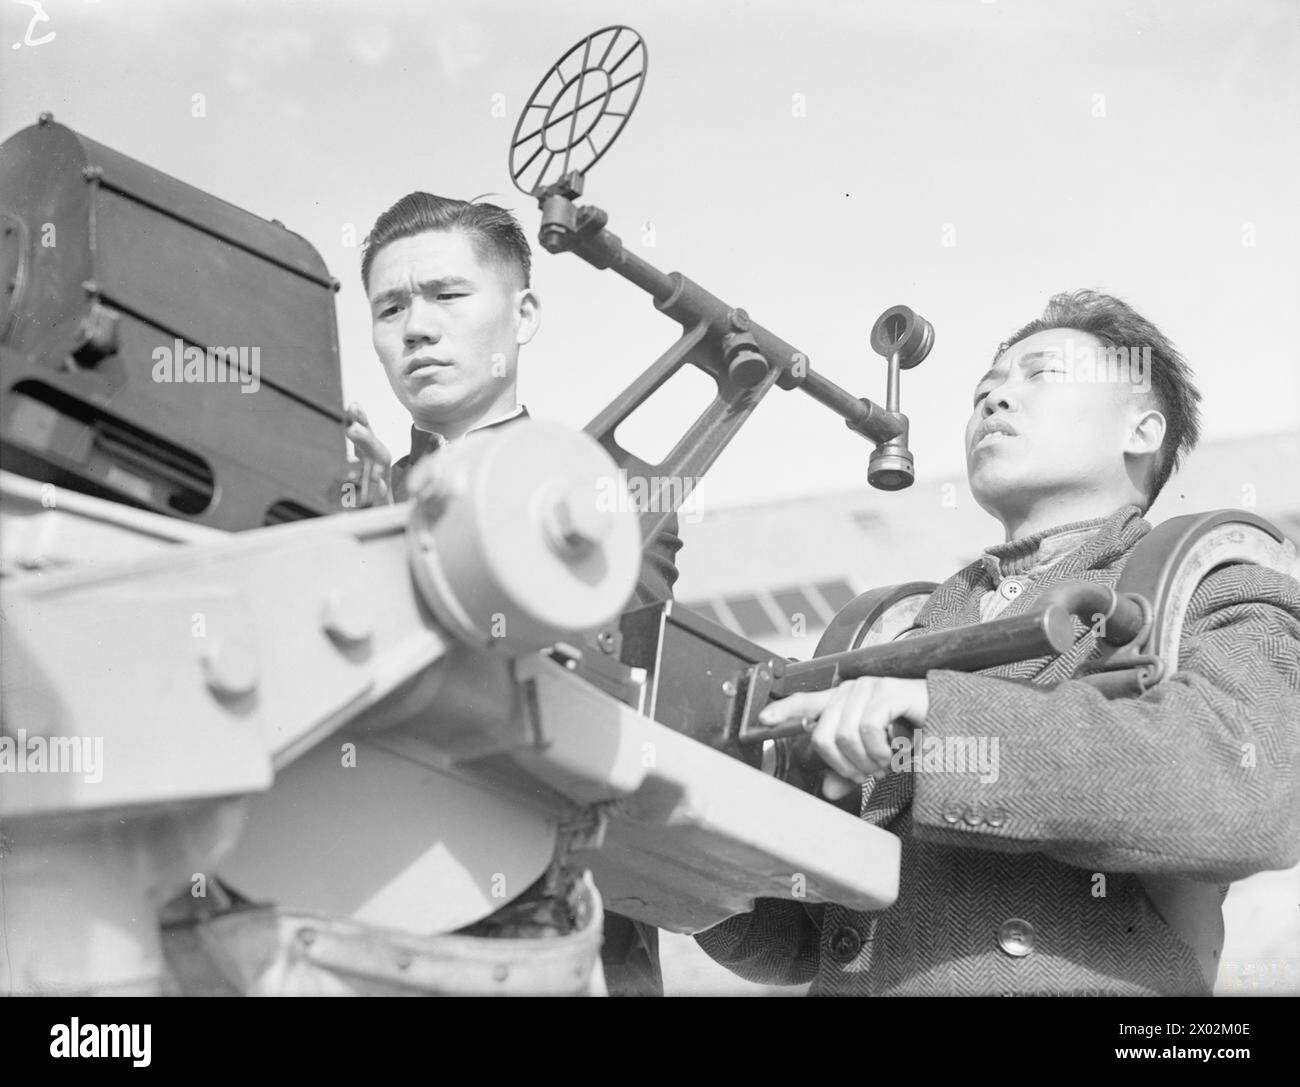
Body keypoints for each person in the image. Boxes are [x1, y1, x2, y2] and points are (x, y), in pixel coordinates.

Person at [695, 289, 1300, 996]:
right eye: (987, 388)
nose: (997, 400)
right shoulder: (900, 628)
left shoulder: (1208, 585)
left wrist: (943, 722)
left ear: (1142, 430)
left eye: (1040, 375)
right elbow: (800, 945)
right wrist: (686, 858)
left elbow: (1249, 797)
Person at [346, 192, 678, 995]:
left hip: (550, 934)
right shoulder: (340, 500)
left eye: (448, 295)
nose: (416, 328)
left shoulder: (606, 489)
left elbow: (596, 684)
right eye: (390, 308)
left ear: (522, 312)